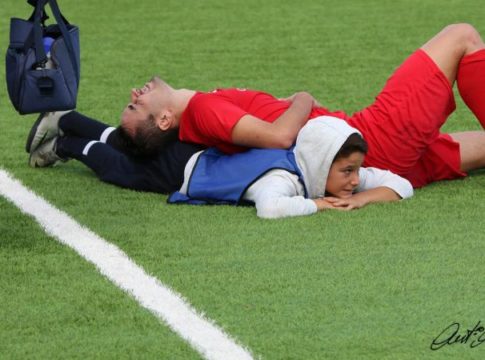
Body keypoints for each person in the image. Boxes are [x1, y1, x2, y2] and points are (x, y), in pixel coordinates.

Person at [28, 23, 485, 189]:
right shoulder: (203, 111)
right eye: (137, 105)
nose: (135, 93)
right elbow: (279, 137)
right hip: (371, 139)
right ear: (165, 119)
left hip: (372, 164)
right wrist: (304, 100)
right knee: (461, 35)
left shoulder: (197, 115)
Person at [169, 116, 414, 219]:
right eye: (348, 171)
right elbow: (269, 209)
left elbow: (403, 185)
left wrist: (363, 199)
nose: (355, 180)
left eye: (357, 170)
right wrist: (320, 204)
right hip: (180, 170)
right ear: (322, 164)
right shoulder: (283, 178)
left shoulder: (337, 175)